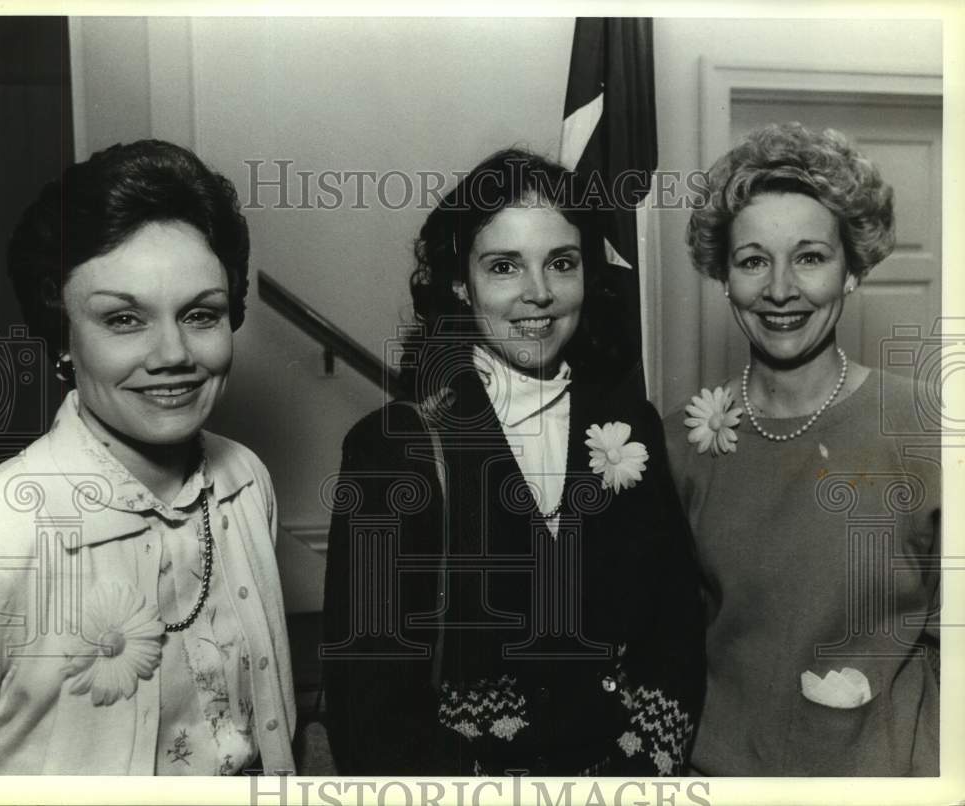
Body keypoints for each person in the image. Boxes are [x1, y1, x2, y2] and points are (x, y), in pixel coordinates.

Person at [322, 148, 705, 776]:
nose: (540, 294)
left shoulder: (632, 425)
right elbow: (370, 711)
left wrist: (635, 781)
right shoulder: (393, 450)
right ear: (458, 282)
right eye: (505, 267)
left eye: (562, 263)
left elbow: (675, 634)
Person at [0, 140, 296, 775]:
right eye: (124, 319)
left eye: (200, 314)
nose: (173, 354)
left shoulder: (246, 481)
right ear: (64, 337)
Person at [664, 122, 940, 775]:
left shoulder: (926, 430)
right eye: (753, 259)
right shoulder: (677, 446)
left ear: (852, 270)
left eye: (811, 257)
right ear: (724, 277)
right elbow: (662, 654)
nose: (780, 289)